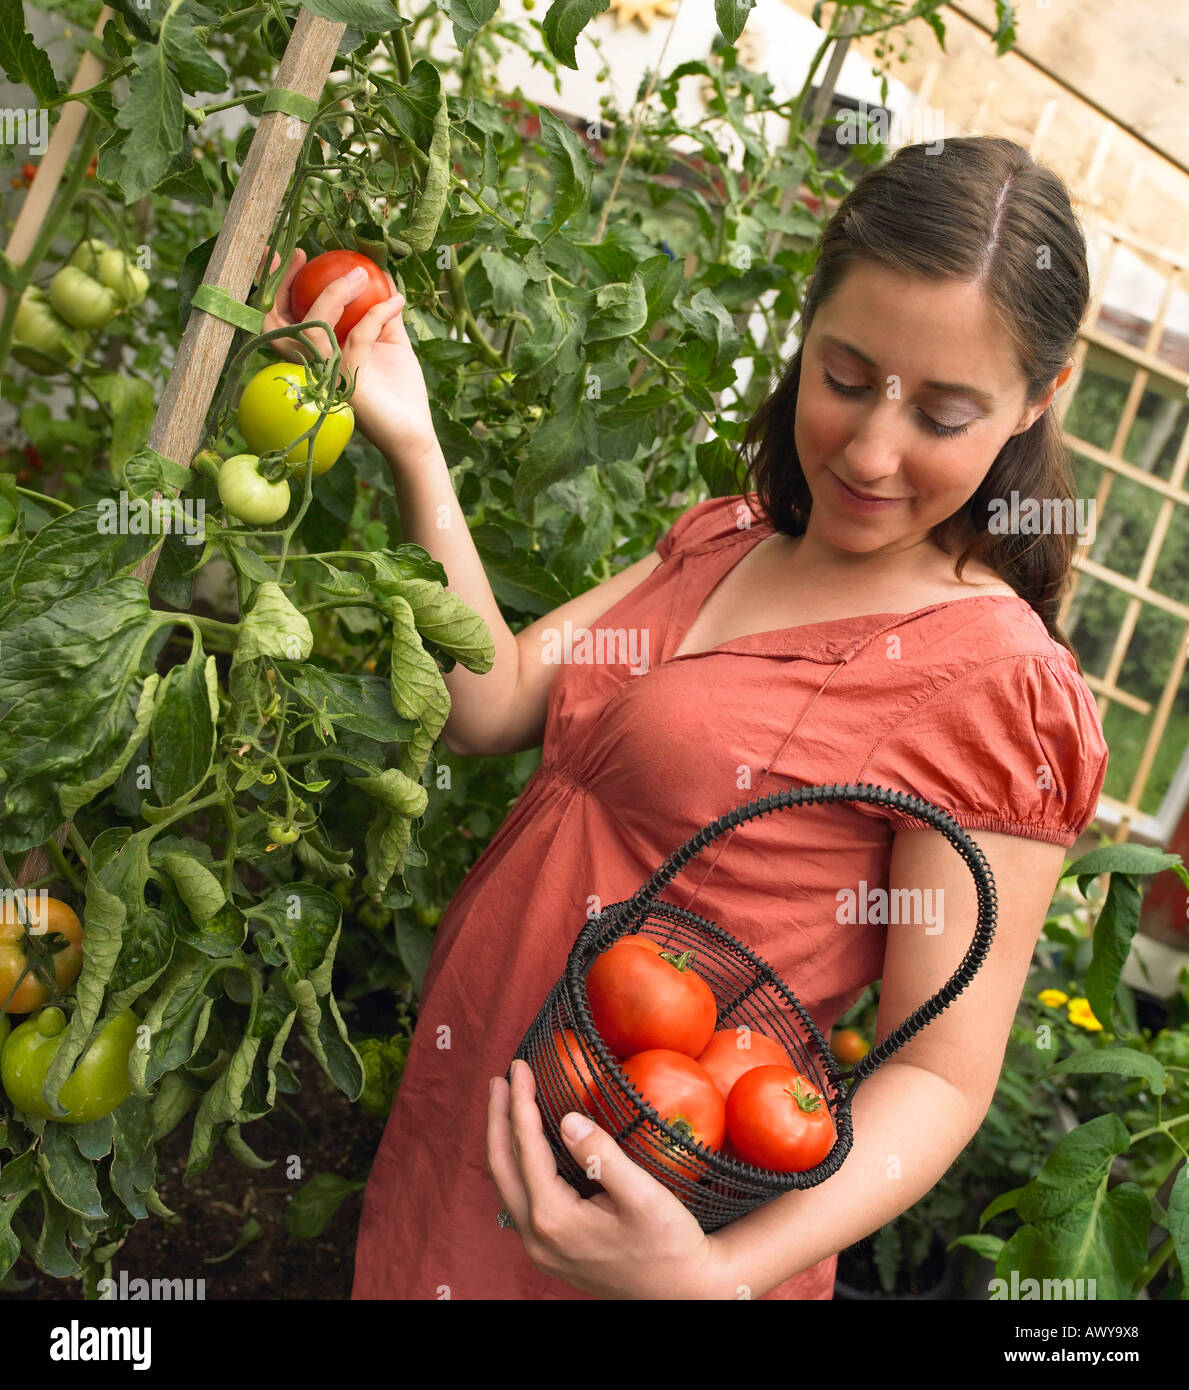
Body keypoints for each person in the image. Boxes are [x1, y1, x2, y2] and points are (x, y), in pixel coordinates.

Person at [261, 134, 1108, 1300]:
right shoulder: (727, 539)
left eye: (944, 415)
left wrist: (707, 1278)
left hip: (651, 1221)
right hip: (483, 1127)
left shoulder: (994, 688)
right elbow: (491, 698)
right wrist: (410, 437)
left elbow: (943, 1079)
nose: (870, 449)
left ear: (1039, 397)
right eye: (846, 377)